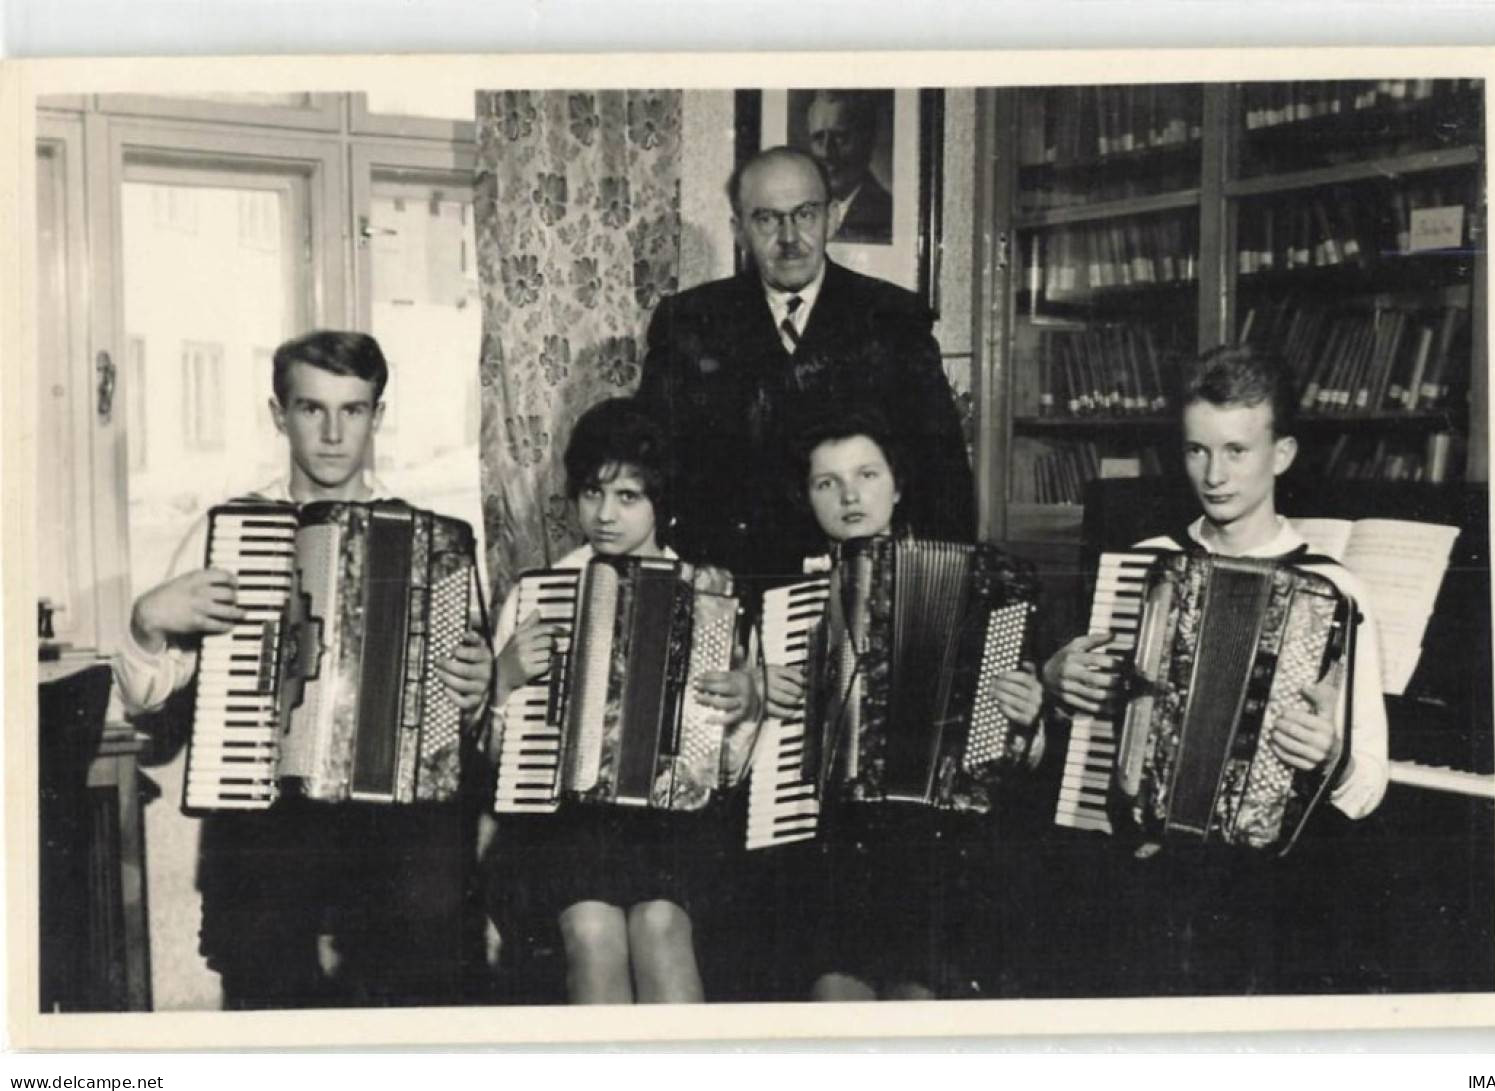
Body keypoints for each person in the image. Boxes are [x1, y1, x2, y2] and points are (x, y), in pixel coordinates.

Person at [113, 330, 494, 1009]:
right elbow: (147, 701)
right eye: (311, 408)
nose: (332, 432)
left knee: (429, 922)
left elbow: (460, 712)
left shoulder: (430, 540)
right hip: (268, 809)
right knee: (266, 953)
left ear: (377, 416)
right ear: (277, 414)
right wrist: (146, 624)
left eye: (353, 410)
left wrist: (474, 690)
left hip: (390, 817)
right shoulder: (227, 531)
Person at [1039, 344, 1389, 994]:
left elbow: (1366, 784)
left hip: (1266, 886)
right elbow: (1086, 729)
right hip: (1139, 866)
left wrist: (1330, 757)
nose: (1213, 473)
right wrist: (1057, 688)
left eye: (1236, 450)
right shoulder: (1142, 567)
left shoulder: (1334, 590)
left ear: (1280, 454)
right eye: (1196, 449)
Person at [759, 409, 1044, 1001]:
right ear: (806, 498)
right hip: (829, 839)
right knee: (834, 999)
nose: (849, 496)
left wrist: (1024, 716)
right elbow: (742, 747)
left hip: (941, 842)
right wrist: (763, 694)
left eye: (867, 475)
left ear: (898, 484)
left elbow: (1026, 746)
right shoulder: (788, 600)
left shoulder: (981, 577)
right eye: (826, 483)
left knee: (918, 1000)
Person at [483, 397, 761, 1004]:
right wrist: (502, 682)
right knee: (591, 929)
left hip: (674, 824)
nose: (604, 514)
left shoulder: (706, 596)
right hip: (564, 824)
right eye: (591, 493)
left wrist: (745, 708)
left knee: (661, 926)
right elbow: (498, 756)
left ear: (661, 500)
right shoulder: (543, 593)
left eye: (627, 496)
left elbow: (729, 767)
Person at [635, 144, 973, 586]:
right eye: (767, 219)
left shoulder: (894, 318)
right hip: (724, 586)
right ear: (739, 230)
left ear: (832, 217)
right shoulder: (688, 320)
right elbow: (649, 464)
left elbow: (943, 476)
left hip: (859, 589)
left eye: (805, 214)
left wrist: (932, 588)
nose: (790, 238)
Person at [803, 90, 893, 244]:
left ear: (867, 142)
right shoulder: (800, 209)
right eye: (818, 138)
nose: (826, 152)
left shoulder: (888, 213)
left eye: (840, 138)